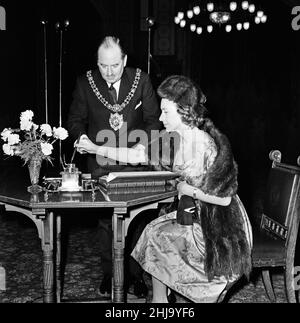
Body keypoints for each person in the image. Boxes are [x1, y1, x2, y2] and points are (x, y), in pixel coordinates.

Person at [75, 74, 253, 303]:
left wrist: (188, 191)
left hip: (219, 225)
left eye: (166, 112)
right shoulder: (173, 139)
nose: (160, 117)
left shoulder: (204, 144)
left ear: (184, 110)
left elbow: (224, 200)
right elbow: (137, 154)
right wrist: (94, 148)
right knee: (153, 231)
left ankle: (170, 299)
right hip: (193, 215)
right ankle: (160, 303)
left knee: (159, 235)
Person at [67, 35, 162, 298]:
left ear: (125, 61)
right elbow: (75, 120)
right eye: (103, 66)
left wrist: (144, 146)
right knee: (107, 223)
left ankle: (135, 274)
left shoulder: (141, 80)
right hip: (101, 164)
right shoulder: (85, 82)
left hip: (135, 163)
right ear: (97, 63)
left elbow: (154, 120)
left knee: (139, 219)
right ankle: (109, 273)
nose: (109, 72)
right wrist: (81, 137)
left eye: (115, 66)